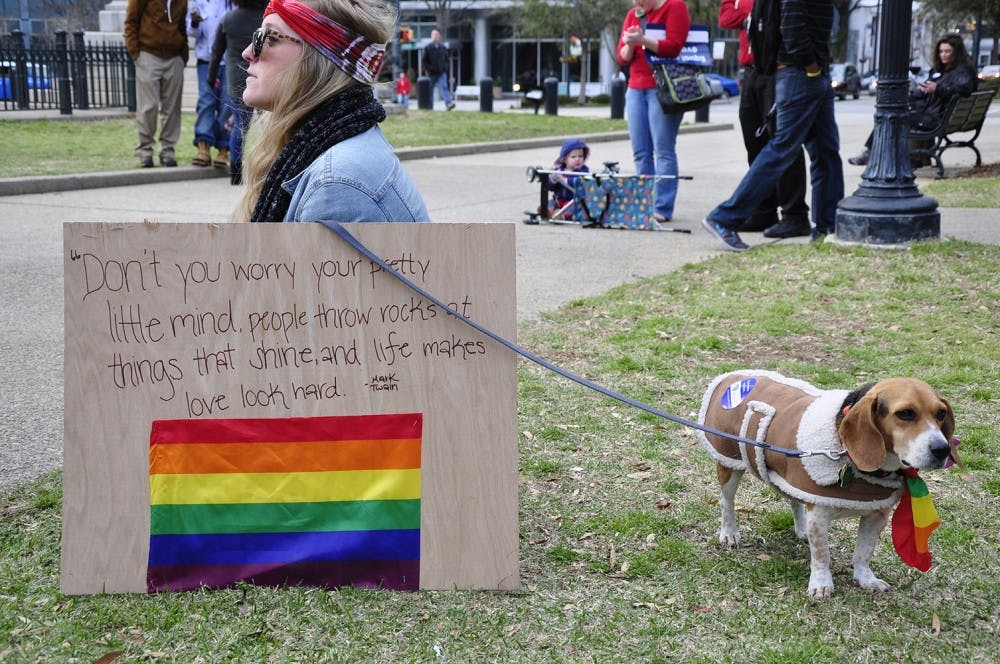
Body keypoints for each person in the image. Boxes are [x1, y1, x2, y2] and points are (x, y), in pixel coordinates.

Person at [234, 0, 430, 224]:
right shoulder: (329, 145)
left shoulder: (337, 186)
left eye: (270, 38)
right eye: (256, 37)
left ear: (321, 58)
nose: (248, 52)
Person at [702, 0, 844, 250]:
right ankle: (723, 218)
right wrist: (810, 68)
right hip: (800, 74)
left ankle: (828, 227)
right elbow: (792, 29)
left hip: (815, 74)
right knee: (782, 149)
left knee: (826, 151)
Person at [718, 0, 810, 238]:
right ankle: (764, 210)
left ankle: (795, 214)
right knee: (754, 142)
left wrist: (753, 14)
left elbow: (776, 16)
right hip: (750, 72)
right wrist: (755, 13)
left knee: (783, 142)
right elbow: (725, 17)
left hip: (776, 70)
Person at [848, 34, 978, 166]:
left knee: (891, 117)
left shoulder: (961, 71)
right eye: (941, 51)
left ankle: (871, 153)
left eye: (948, 51)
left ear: (957, 52)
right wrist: (921, 90)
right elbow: (929, 89)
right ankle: (914, 158)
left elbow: (963, 89)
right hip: (935, 116)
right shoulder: (942, 70)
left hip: (936, 119)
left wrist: (937, 89)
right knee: (894, 112)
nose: (943, 55)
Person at [616, 0, 691, 224]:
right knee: (641, 152)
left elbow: (674, 46)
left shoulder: (675, 7)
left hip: (663, 87)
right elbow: (622, 57)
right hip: (635, 87)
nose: (636, 3)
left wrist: (643, 40)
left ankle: (662, 207)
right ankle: (643, 203)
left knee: (663, 149)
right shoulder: (633, 14)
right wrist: (630, 44)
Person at [124, 0, 189, 168]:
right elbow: (131, 21)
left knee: (172, 108)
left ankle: (168, 151)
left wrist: (183, 55)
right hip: (148, 54)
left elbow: (181, 26)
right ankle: (145, 151)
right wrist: (135, 52)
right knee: (148, 107)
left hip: (174, 56)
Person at [208, 0, 267, 184]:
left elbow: (216, 52)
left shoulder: (228, 19)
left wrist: (211, 78)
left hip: (236, 79)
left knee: (240, 126)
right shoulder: (266, 19)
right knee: (267, 125)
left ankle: (235, 172)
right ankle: (267, 168)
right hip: (263, 76)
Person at [188, 0, 233, 168]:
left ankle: (223, 148)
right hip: (206, 62)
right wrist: (194, 22)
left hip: (229, 62)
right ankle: (203, 147)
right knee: (206, 102)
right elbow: (190, 31)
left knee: (227, 104)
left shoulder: (232, 3)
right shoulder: (198, 2)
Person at [548, 138, 590, 220]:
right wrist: (553, 180)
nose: (577, 159)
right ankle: (548, 212)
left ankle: (562, 216)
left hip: (573, 200)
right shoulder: (559, 170)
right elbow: (551, 188)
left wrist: (565, 180)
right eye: (573, 157)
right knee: (550, 202)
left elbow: (582, 183)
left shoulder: (584, 170)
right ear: (564, 159)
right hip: (558, 200)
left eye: (580, 156)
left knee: (576, 206)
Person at [422, 28, 455, 111]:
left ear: (439, 36)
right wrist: (429, 69)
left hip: (441, 72)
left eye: (436, 35)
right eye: (433, 35)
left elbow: (447, 60)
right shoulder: (428, 48)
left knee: (444, 87)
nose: (435, 36)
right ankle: (429, 106)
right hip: (431, 73)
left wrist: (444, 67)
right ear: (431, 36)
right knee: (430, 90)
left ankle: (449, 103)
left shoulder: (443, 47)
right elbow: (424, 61)